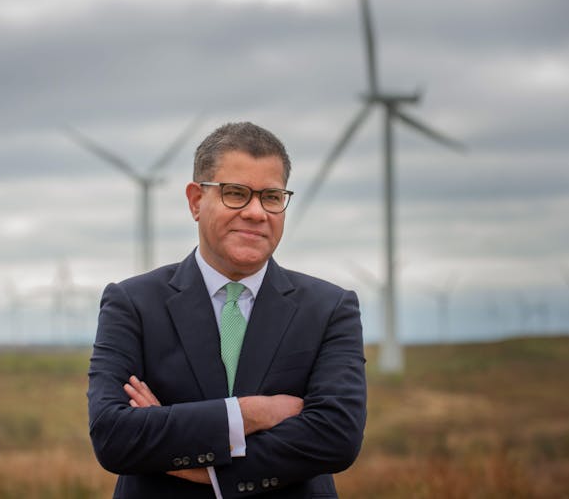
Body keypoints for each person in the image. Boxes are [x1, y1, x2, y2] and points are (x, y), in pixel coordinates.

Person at [87, 121, 367, 498]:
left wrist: (194, 464)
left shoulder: (330, 308)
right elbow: (114, 437)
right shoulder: (132, 304)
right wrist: (250, 413)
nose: (255, 212)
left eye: (271, 196)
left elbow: (336, 438)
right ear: (195, 201)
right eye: (236, 193)